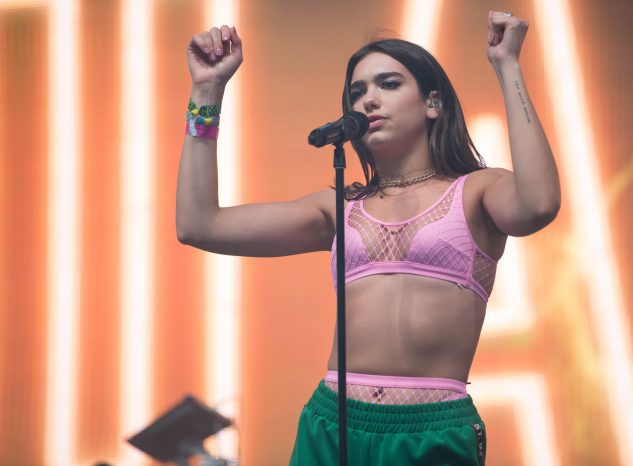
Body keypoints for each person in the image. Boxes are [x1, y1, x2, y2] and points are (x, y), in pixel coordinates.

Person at [178, 10, 560, 466]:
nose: (368, 100)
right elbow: (199, 225)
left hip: (431, 429)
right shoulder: (339, 207)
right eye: (357, 92)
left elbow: (538, 204)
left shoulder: (478, 190)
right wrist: (207, 92)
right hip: (332, 421)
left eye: (389, 84)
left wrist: (507, 65)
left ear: (433, 103)